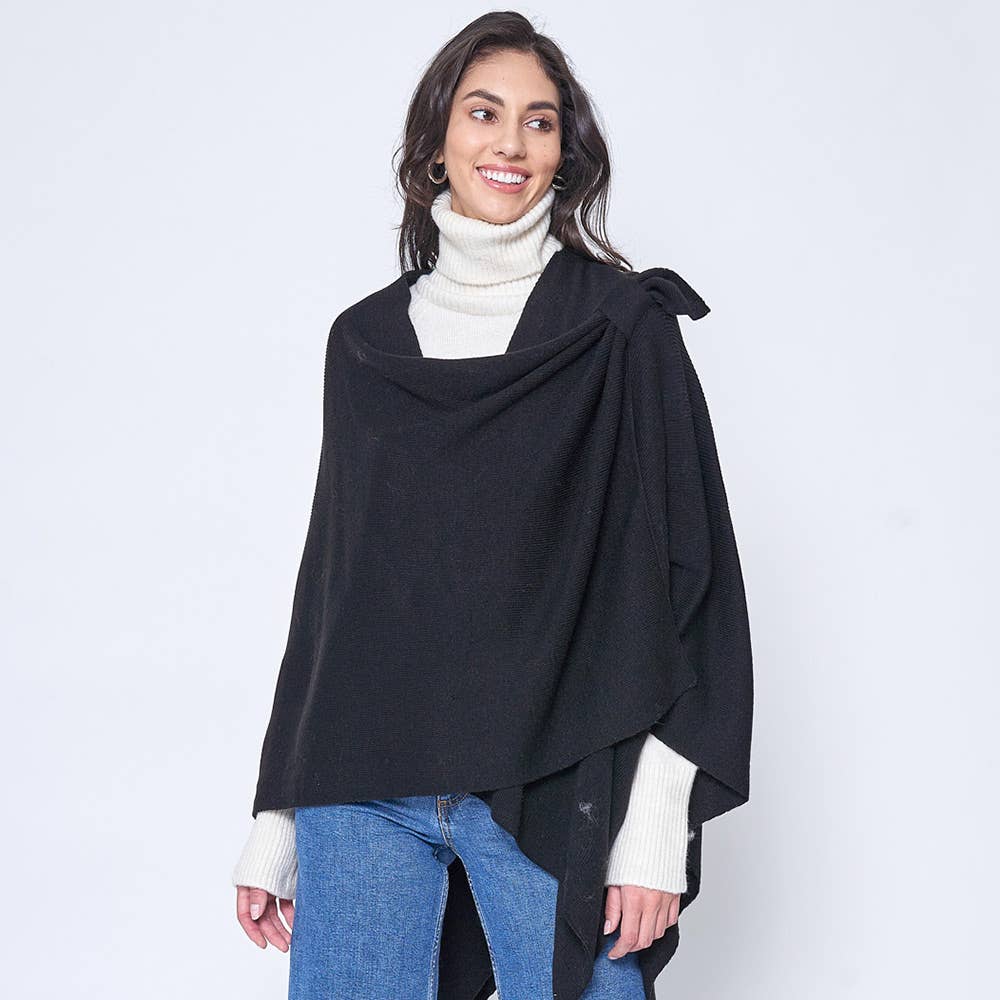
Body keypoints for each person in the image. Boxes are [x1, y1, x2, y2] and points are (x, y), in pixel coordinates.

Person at [231, 12, 753, 1000]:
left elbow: (695, 585)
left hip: (558, 779)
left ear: (565, 151)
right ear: (437, 142)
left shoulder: (621, 328)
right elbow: (336, 588)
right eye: (483, 113)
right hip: (361, 782)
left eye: (538, 121)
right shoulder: (364, 343)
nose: (510, 142)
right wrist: (277, 817)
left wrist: (654, 828)